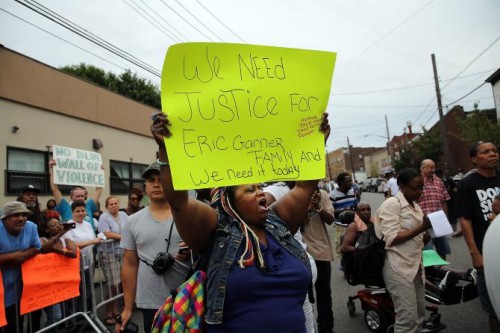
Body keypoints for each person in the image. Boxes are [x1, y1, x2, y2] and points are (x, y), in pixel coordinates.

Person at [149, 111, 330, 332]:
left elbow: (304, 186)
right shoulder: (216, 230)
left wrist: (315, 141)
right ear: (229, 201)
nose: (261, 193)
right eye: (250, 189)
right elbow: (180, 203)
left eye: (260, 187)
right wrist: (166, 152)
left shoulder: (279, 224)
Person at [117, 161, 191, 333]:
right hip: (150, 302)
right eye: (151, 180)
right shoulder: (132, 221)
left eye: (162, 179)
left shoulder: (188, 215)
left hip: (187, 297)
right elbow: (129, 264)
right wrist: (128, 308)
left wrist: (192, 249)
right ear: (145, 186)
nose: (157, 184)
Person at [375, 168, 432, 333]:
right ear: (401, 186)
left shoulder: (416, 206)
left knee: (419, 317)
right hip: (398, 267)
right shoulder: (392, 204)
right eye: (416, 188)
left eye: (422, 187)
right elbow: (391, 238)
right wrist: (422, 227)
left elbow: (420, 239)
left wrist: (430, 229)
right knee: (407, 321)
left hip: (415, 266)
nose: (420, 192)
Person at [263, 181, 318, 333]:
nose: (258, 194)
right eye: (250, 190)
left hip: (295, 270)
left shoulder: (280, 192)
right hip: (294, 270)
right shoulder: (277, 190)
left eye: (257, 188)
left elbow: (306, 185)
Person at [457, 141, 500, 333]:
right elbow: (465, 220)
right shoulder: (468, 184)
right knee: (495, 308)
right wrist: (475, 253)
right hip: (489, 253)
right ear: (474, 159)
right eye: (486, 152)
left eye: (494, 150)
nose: (492, 154)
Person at [0, 201, 41, 333]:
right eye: (16, 215)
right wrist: (11, 257)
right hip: (3, 286)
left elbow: (36, 247)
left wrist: (22, 256)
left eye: (24, 215)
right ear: (4, 218)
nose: (22, 218)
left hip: (23, 286)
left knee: (16, 322)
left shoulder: (31, 227)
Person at [301, 188, 335, 333]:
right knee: (304, 298)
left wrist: (317, 208)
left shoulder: (323, 195)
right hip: (301, 254)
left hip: (321, 252)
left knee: (324, 295)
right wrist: (305, 207)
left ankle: (326, 328)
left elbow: (330, 220)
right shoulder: (293, 195)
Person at [62, 200, 103, 314]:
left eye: (83, 210)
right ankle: (73, 321)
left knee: (88, 293)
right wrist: (92, 241)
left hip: (87, 264)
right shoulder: (67, 225)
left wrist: (97, 241)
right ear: (72, 212)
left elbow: (93, 240)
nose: (81, 213)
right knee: (74, 295)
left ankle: (86, 317)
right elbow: (72, 246)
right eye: (77, 211)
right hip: (73, 267)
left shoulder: (87, 224)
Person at [40, 218, 77, 327]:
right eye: (54, 225)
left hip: (63, 283)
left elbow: (73, 253)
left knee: (63, 313)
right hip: (48, 285)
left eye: (59, 223)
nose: (58, 226)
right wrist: (59, 236)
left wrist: (56, 250)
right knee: (56, 316)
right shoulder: (42, 239)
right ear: (47, 230)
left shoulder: (65, 239)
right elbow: (43, 249)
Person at [49, 159, 103, 228]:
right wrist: (53, 169)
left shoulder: (89, 205)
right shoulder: (65, 207)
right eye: (77, 196)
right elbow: (54, 189)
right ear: (71, 197)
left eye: (82, 196)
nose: (80, 198)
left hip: (91, 238)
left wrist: (100, 172)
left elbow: (99, 190)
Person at [98, 196, 127, 325]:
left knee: (119, 283)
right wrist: (123, 237)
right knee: (113, 285)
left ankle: (115, 310)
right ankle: (108, 313)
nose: (114, 205)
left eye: (116, 203)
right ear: (107, 206)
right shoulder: (104, 217)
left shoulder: (124, 214)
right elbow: (107, 234)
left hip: (122, 253)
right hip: (108, 253)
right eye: (111, 204)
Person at [417, 159, 451, 260]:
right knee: (428, 252)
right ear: (422, 168)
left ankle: (442, 271)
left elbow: (444, 200)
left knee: (442, 250)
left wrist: (445, 217)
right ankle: (429, 274)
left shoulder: (439, 181)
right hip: (424, 223)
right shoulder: (417, 181)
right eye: (430, 167)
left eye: (434, 167)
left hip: (439, 221)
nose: (433, 170)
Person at [329, 172, 358, 262]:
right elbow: (330, 212)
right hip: (340, 226)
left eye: (351, 181)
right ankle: (345, 267)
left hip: (353, 225)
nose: (351, 183)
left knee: (353, 246)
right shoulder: (332, 195)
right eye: (348, 181)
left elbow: (356, 207)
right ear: (341, 183)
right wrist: (344, 210)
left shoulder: (352, 192)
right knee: (341, 248)